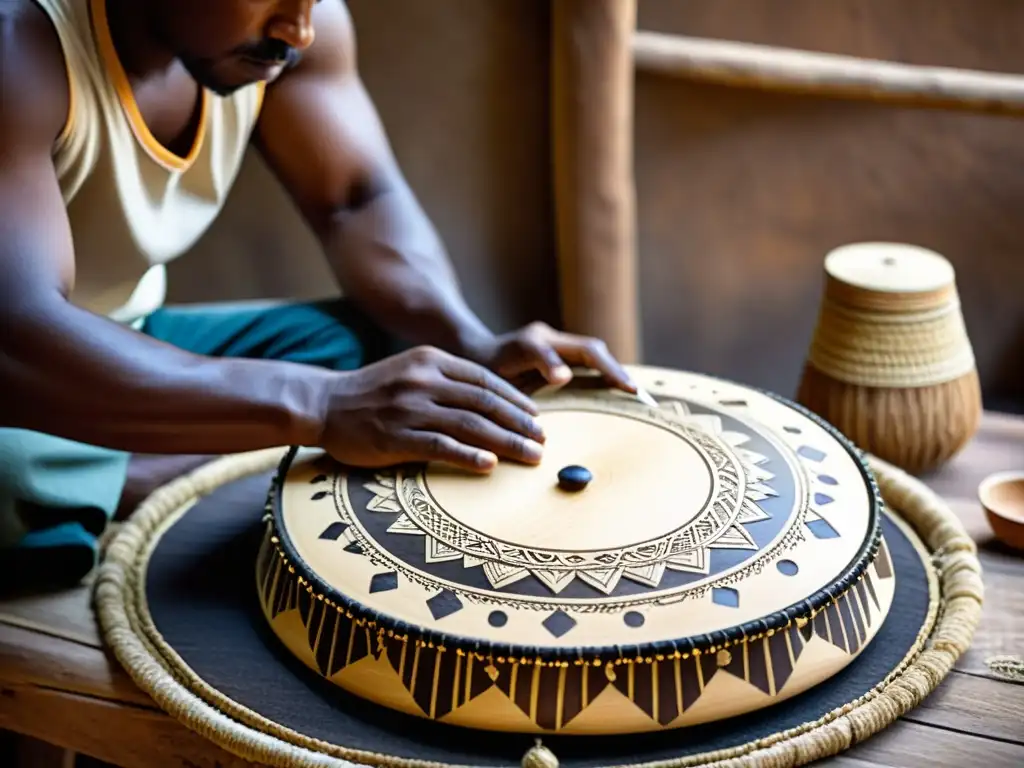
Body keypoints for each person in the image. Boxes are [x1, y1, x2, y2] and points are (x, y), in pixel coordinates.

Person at [0, 0, 639, 589]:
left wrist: (469, 344)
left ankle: (103, 473)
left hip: (129, 334)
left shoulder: (291, 29)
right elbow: (19, 336)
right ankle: (132, 475)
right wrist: (322, 407)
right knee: (8, 474)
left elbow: (356, 201)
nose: (299, 29)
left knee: (387, 353)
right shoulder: (21, 45)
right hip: (26, 369)